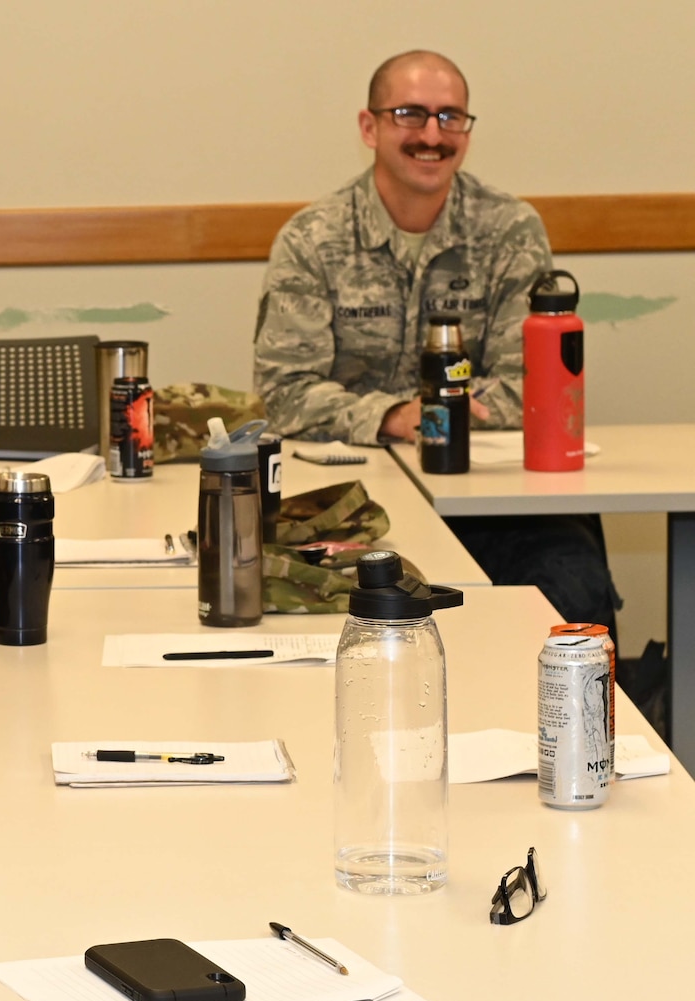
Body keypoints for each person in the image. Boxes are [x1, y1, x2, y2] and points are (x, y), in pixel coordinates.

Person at [254, 49, 619, 633]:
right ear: (369, 127)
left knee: (572, 582)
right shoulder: (313, 239)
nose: (432, 134)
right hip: (354, 502)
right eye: (410, 114)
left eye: (451, 117)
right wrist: (394, 415)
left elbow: (534, 383)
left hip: (487, 500)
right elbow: (283, 390)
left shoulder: (508, 230)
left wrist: (446, 419)